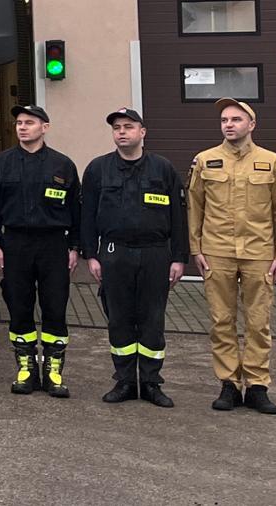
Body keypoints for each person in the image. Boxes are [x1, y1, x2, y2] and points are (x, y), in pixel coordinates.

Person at [81, 107, 187, 408]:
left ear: (142, 132)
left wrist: (179, 258)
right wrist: (92, 254)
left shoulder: (163, 169)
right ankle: (125, 381)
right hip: (115, 252)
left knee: (152, 319)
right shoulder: (98, 169)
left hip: (155, 254)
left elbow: (179, 217)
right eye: (117, 128)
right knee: (120, 318)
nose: (122, 132)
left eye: (128, 126)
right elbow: (86, 215)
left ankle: (151, 383)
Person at [187, 98, 276, 414]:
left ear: (251, 125)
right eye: (225, 120)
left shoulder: (272, 162)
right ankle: (228, 384)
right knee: (222, 320)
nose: (229, 124)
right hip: (217, 252)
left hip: (259, 253)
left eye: (236, 119)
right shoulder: (205, 160)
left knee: (259, 322)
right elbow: (195, 207)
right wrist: (196, 249)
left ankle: (257, 386)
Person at [0, 104, 80, 397]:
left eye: (29, 122)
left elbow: (76, 209)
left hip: (53, 244)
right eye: (19, 123)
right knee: (19, 307)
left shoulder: (62, 165)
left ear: (45, 127)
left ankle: (53, 373)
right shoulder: (2, 163)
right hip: (15, 244)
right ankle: (26, 369)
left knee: (54, 307)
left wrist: (74, 247)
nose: (22, 127)